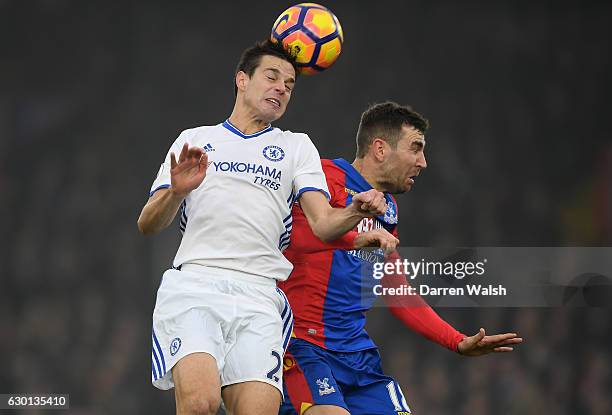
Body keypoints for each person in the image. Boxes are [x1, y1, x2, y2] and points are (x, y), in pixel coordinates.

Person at [137, 39, 399, 415]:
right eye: (272, 77)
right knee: (200, 403)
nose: (281, 88)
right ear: (242, 80)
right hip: (197, 285)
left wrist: (356, 211)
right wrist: (175, 192)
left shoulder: (296, 148)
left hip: (260, 297)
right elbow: (148, 223)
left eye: (289, 84)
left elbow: (325, 224)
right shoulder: (194, 140)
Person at [278, 101, 523, 415]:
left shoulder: (388, 208)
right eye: (416, 148)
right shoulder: (324, 176)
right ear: (380, 149)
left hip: (356, 355)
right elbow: (297, 237)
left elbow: (399, 293)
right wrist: (355, 236)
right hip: (304, 346)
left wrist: (457, 341)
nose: (423, 162)